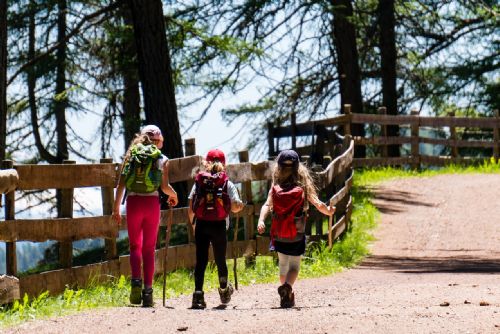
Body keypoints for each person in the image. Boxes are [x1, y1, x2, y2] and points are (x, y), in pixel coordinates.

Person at [257, 149, 335, 308]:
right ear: (297, 167)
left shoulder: (276, 185)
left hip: (279, 234)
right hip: (297, 234)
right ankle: (288, 288)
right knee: (294, 267)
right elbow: (317, 203)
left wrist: (261, 220)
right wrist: (328, 211)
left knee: (283, 264)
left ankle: (286, 293)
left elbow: (267, 204)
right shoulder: (302, 184)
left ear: (278, 167)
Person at [112, 125, 178, 307]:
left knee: (135, 247)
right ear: (160, 141)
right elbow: (164, 187)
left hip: (133, 203)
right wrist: (174, 195)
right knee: (149, 249)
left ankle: (135, 282)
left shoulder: (131, 155)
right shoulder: (162, 159)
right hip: (151, 205)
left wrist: (116, 208)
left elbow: (121, 184)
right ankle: (148, 292)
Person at [188, 149, 244, 309]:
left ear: (206, 163)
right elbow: (234, 206)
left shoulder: (199, 182)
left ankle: (198, 295)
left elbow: (191, 207)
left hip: (201, 224)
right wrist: (239, 207)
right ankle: (224, 290)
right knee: (220, 259)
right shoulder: (227, 183)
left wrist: (194, 225)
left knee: (201, 261)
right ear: (224, 164)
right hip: (219, 225)